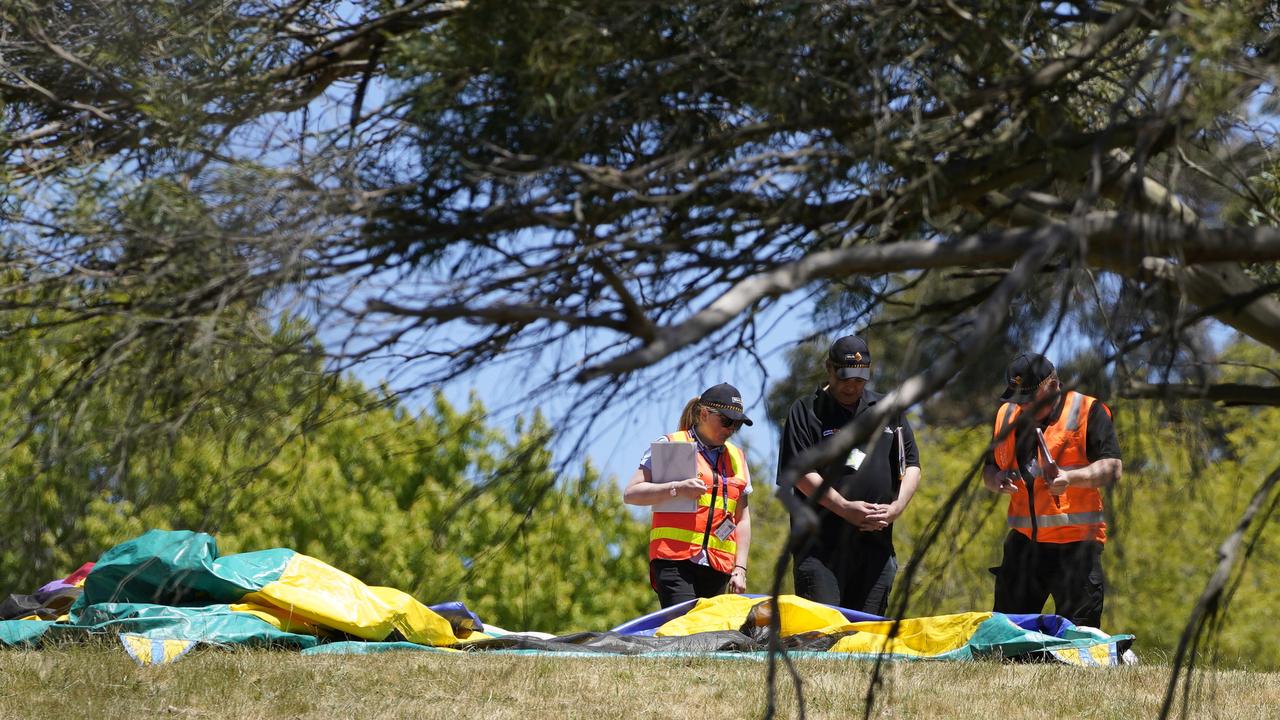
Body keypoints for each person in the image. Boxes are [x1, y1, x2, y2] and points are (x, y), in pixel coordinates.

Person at [777, 335, 922, 615]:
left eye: (859, 378)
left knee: (866, 638)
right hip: (821, 550)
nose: (852, 386)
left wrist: (897, 508)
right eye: (845, 378)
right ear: (828, 369)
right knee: (822, 635)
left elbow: (912, 465)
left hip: (875, 548)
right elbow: (799, 472)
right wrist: (844, 508)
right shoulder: (806, 410)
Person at [982, 352, 1123, 628]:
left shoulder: (1087, 411)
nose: (1024, 408)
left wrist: (1070, 478)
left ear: (1053, 386)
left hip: (1076, 545)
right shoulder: (1006, 415)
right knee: (1006, 635)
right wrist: (996, 479)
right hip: (1024, 545)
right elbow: (988, 469)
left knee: (1078, 640)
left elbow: (1113, 467)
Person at [623, 382, 754, 608]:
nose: (731, 429)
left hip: (718, 565)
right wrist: (677, 488)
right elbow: (632, 493)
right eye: (726, 421)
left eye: (737, 425)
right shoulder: (673, 445)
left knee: (709, 637)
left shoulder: (737, 457)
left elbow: (742, 519)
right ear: (704, 414)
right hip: (675, 560)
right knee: (685, 633)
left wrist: (740, 568)